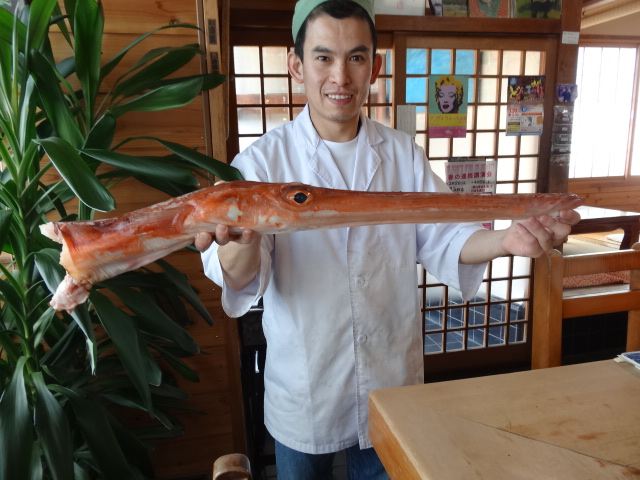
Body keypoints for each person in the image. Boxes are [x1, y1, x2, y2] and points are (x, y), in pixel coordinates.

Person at [196, 1, 580, 478]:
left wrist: (508, 240)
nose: (340, 77)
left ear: (374, 67)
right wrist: (241, 239)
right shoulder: (259, 165)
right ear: (296, 66)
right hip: (306, 384)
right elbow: (238, 276)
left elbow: (445, 237)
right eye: (323, 58)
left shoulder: (402, 154)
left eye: (356, 58)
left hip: (390, 375)